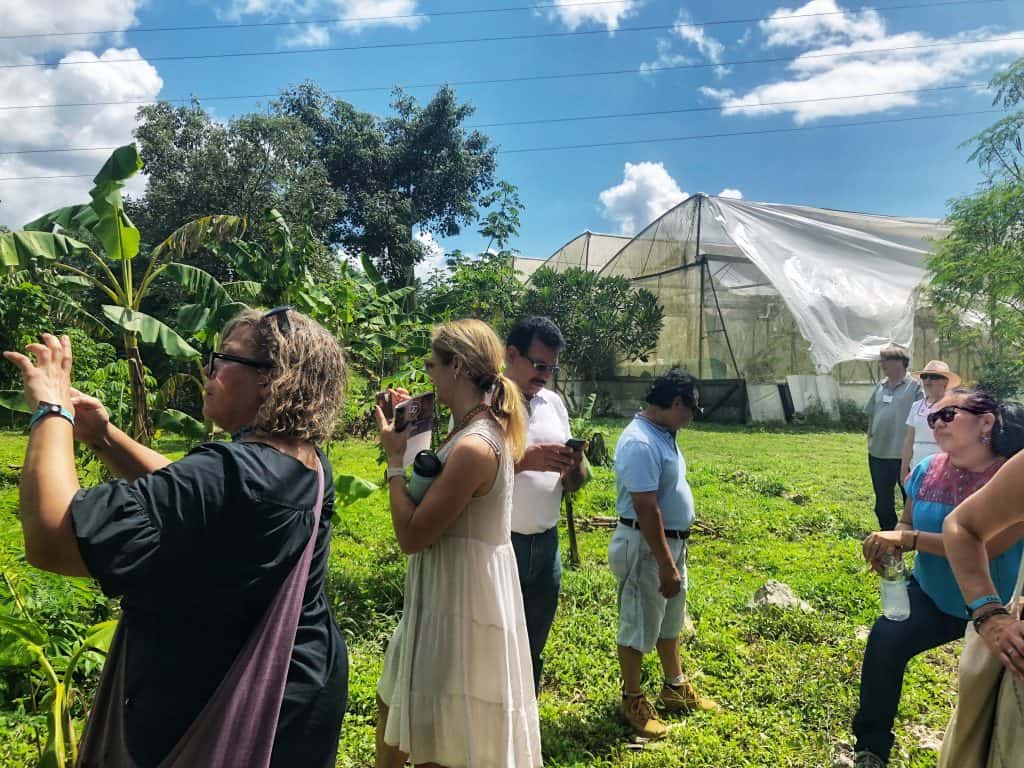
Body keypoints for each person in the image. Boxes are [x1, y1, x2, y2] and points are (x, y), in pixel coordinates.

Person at [3, 308, 348, 767]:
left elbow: (54, 540)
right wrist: (104, 439)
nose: (208, 370)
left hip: (209, 707)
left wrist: (52, 410)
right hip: (295, 685)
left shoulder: (231, 473)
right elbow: (190, 493)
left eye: (223, 359)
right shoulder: (300, 460)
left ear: (271, 379)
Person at [374, 319, 542, 768]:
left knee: (443, 730)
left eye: (433, 364)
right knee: (400, 706)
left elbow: (411, 535)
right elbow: (431, 479)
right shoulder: (471, 429)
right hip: (447, 596)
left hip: (461, 603)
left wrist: (393, 461)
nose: (427, 373)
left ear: (458, 367)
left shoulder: (475, 446)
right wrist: (409, 428)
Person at [852, 388, 1024, 768]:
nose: (936, 423)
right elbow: (906, 520)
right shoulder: (927, 469)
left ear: (986, 422)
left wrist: (908, 540)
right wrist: (894, 546)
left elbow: (989, 546)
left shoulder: (1011, 476)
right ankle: (871, 747)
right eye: (932, 418)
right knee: (884, 642)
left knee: (986, 699)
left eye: (947, 415)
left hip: (993, 605)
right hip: (933, 596)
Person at [610, 368, 719, 741]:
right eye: (690, 409)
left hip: (669, 543)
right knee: (639, 622)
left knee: (669, 619)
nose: (691, 417)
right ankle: (633, 698)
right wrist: (665, 564)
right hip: (647, 545)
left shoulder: (663, 434)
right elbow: (646, 508)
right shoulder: (640, 443)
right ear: (675, 403)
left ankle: (674, 686)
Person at [504, 316, 588, 694]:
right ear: (511, 354)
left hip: (546, 543)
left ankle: (527, 718)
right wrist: (526, 461)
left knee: (534, 642)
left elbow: (576, 480)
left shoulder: (553, 403)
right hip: (502, 543)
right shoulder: (489, 401)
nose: (545, 376)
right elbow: (468, 471)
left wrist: (574, 467)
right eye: (539, 365)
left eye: (551, 368)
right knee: (498, 640)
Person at [864, 344, 922, 530]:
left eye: (886, 360)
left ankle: (910, 532)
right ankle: (887, 532)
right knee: (882, 499)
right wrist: (870, 436)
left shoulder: (915, 387)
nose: (882, 364)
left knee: (909, 495)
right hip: (879, 453)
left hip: (904, 455)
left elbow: (922, 417)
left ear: (900, 363)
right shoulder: (880, 386)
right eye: (882, 361)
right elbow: (872, 412)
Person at [900, 360, 960, 482]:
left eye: (933, 377)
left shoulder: (953, 407)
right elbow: (909, 440)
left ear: (945, 381)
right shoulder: (916, 406)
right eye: (924, 377)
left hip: (944, 468)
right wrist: (903, 468)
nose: (927, 381)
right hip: (917, 465)